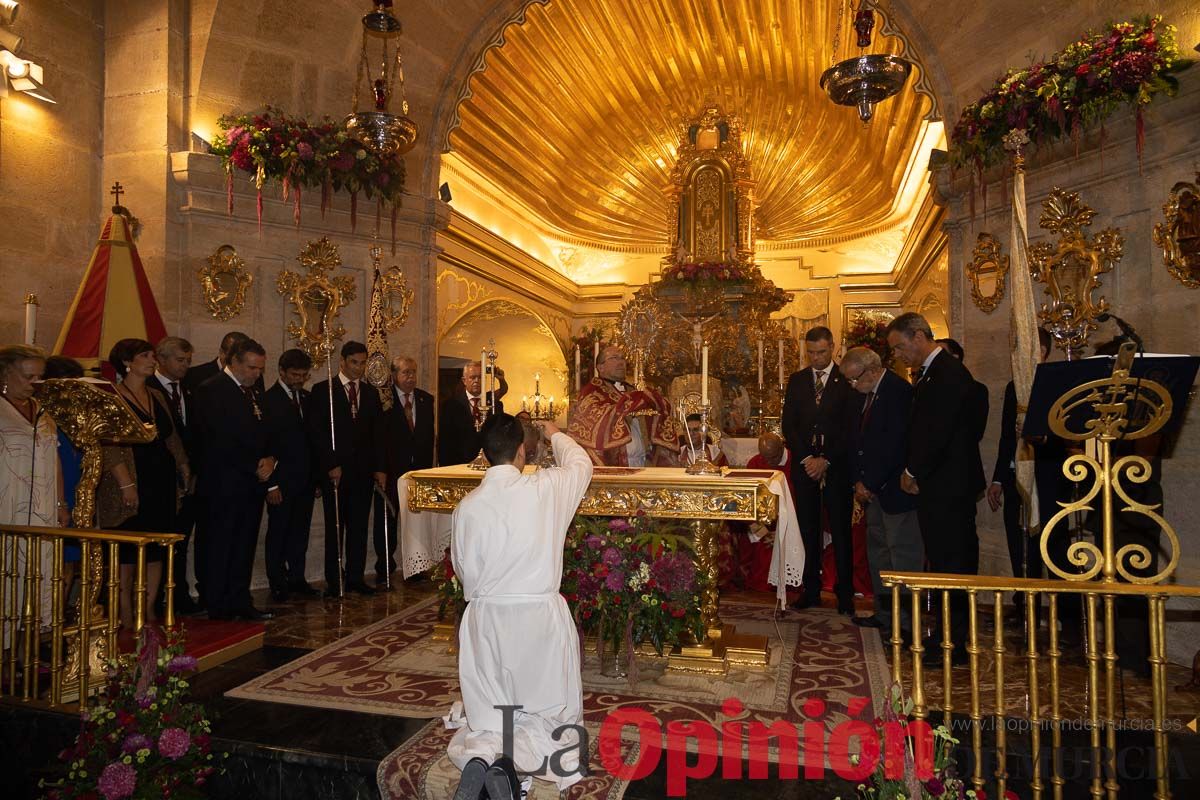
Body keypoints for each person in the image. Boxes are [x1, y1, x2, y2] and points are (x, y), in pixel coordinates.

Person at [446, 414, 593, 794]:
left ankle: (482, 759)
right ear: (522, 452)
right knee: (549, 717)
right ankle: (514, 771)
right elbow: (582, 464)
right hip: (537, 620)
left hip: (485, 621)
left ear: (485, 452)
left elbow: (462, 569)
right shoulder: (544, 489)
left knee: (492, 718)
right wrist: (554, 432)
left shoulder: (467, 506)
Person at [887, 313, 984, 665]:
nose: (899, 354)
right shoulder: (932, 373)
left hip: (949, 486)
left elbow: (937, 431)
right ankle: (946, 637)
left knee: (953, 563)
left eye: (900, 346)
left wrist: (913, 470)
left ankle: (955, 643)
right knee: (942, 562)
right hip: (941, 485)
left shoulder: (946, 372)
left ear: (918, 335)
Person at [100, 338, 191, 630]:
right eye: (145, 356)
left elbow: (171, 435)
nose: (153, 360)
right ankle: (125, 613)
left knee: (157, 546)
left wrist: (183, 465)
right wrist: (126, 485)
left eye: (153, 355)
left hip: (160, 481)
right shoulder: (112, 396)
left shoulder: (156, 394)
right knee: (127, 551)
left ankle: (148, 609)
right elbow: (109, 444)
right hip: (129, 481)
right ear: (127, 362)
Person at [986, 328, 1068, 622]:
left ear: (1042, 350)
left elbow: (1069, 433)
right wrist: (997, 479)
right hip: (1015, 479)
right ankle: (1025, 610)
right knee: (1019, 545)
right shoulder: (1013, 387)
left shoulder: (1060, 383)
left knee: (1055, 545)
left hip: (1049, 479)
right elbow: (1007, 438)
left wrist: (1040, 438)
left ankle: (1064, 613)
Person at [192, 338, 276, 621]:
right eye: (252, 367)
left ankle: (241, 599)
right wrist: (253, 465)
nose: (257, 373)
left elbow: (264, 429)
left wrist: (270, 457)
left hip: (251, 484)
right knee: (220, 544)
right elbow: (215, 440)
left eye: (260, 369)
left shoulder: (253, 391)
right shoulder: (211, 390)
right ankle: (218, 603)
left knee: (244, 543)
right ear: (234, 362)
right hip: (223, 484)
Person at [841, 346, 922, 637]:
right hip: (871, 491)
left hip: (893, 491)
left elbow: (896, 445)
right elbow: (855, 441)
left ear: (872, 370)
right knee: (879, 556)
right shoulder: (864, 395)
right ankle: (885, 615)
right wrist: (857, 482)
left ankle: (907, 625)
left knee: (902, 557)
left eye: (854, 379)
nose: (852, 385)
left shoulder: (898, 392)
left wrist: (870, 483)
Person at [782, 326, 856, 614]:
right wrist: (807, 459)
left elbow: (850, 428)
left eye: (821, 352)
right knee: (808, 529)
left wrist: (826, 459)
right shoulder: (798, 380)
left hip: (836, 468)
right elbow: (790, 424)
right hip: (805, 468)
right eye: (810, 353)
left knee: (840, 531)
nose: (815, 358)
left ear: (833, 348)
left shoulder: (845, 380)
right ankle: (810, 588)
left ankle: (845, 593)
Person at [0, 345, 70, 647]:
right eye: (29, 376)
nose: (34, 384)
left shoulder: (43, 413)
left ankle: (27, 650)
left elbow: (54, 458)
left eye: (39, 378)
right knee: (8, 576)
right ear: (6, 373)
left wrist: (60, 502)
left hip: (42, 506)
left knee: (39, 575)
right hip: (7, 503)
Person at [308, 341, 382, 596]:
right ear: (342, 361)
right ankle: (333, 578)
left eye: (363, 363)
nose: (359, 368)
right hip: (336, 474)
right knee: (335, 528)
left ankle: (355, 577)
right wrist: (330, 465)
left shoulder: (370, 394)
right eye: (354, 362)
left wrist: (379, 468)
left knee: (359, 527)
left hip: (362, 473)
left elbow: (376, 435)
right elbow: (317, 434)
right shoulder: (323, 391)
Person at [150, 335, 203, 615]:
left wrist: (193, 471)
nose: (185, 366)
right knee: (161, 541)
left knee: (182, 540)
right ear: (162, 359)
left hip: (188, 478)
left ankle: (178, 593)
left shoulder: (190, 388)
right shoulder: (147, 388)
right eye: (180, 360)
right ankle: (156, 597)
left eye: (188, 361)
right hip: (160, 478)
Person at [262, 348, 318, 602]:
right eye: (294, 374)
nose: (299, 380)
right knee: (279, 532)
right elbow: (264, 446)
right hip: (280, 480)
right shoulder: (267, 400)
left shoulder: (308, 398)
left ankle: (297, 577)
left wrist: (316, 478)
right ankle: (277, 580)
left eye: (303, 375)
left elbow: (313, 442)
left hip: (305, 479)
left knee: (300, 532)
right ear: (282, 371)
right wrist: (270, 485)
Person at [373, 356, 435, 583]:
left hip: (418, 472)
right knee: (387, 519)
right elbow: (378, 438)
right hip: (390, 472)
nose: (411, 377)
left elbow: (428, 438)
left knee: (416, 522)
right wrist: (380, 468)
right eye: (405, 373)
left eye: (413, 372)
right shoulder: (384, 401)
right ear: (394, 375)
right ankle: (385, 566)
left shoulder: (426, 400)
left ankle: (416, 567)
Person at [567, 345, 680, 466]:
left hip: (643, 461)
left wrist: (654, 404)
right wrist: (627, 406)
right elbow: (593, 421)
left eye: (622, 358)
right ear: (601, 367)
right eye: (614, 358)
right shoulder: (593, 390)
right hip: (616, 462)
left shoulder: (633, 391)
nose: (621, 362)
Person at [740, 432, 789, 593]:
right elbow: (747, 499)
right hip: (763, 524)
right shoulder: (755, 463)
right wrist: (761, 530)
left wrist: (783, 532)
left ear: (782, 447)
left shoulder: (795, 462)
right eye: (765, 457)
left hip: (791, 523)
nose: (768, 462)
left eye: (773, 457)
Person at [438, 361, 505, 467]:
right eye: (472, 377)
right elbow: (445, 442)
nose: (476, 381)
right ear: (464, 380)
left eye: (480, 377)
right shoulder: (450, 405)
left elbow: (500, 437)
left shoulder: (494, 405)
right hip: (460, 465)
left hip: (490, 466)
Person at [937, 338, 989, 446]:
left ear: (955, 358)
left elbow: (976, 432)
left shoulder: (977, 389)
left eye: (940, 354)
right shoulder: (928, 388)